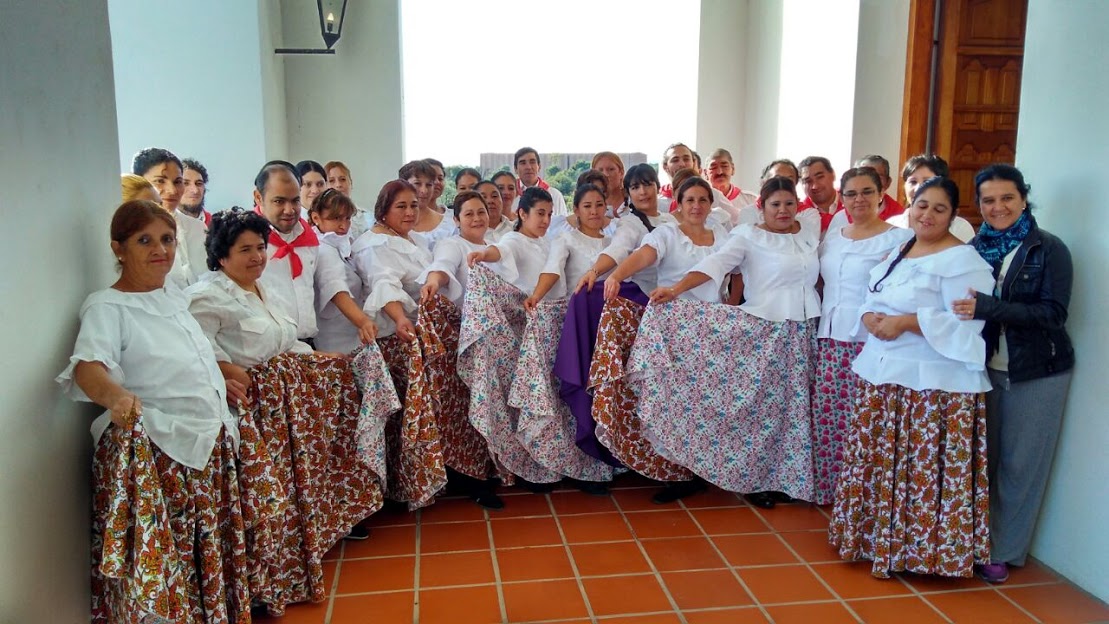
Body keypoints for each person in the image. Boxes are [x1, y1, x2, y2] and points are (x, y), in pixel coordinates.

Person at [56, 200, 252, 623]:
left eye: (166, 239)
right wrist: (116, 397)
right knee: (170, 563)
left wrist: (220, 377)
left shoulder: (172, 296)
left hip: (204, 444)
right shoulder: (106, 306)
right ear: (118, 248)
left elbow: (183, 356)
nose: (159, 249)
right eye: (144, 240)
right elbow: (90, 366)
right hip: (163, 450)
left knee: (203, 555)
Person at [187, 208, 386, 610]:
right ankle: (260, 586)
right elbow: (194, 351)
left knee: (296, 490)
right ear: (220, 255)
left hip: (287, 409)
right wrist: (227, 369)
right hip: (254, 413)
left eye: (261, 247)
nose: (257, 256)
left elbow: (285, 340)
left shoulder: (264, 288)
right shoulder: (206, 296)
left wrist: (327, 358)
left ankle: (290, 570)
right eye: (245, 249)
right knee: (264, 501)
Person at [830, 176, 994, 579]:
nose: (928, 215)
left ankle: (923, 553)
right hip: (884, 376)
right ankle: (875, 541)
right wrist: (869, 316)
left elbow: (967, 326)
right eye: (922, 205)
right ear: (910, 207)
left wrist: (907, 322)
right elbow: (872, 295)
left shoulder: (964, 262)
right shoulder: (901, 250)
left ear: (953, 216)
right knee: (885, 466)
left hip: (932, 390)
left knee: (919, 468)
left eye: (940, 208)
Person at [649, 177, 822, 508]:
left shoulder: (809, 235)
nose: (783, 210)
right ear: (762, 207)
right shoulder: (748, 237)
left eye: (789, 203)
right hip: (768, 332)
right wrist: (676, 290)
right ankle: (755, 479)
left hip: (804, 332)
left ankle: (790, 480)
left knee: (796, 411)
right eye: (775, 204)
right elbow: (714, 264)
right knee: (763, 412)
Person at [952, 164, 1075, 584]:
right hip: (983, 369)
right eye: (988, 199)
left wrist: (991, 308)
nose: (997, 207)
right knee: (981, 463)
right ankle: (972, 542)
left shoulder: (1049, 248)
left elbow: (1053, 314)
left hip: (1036, 371)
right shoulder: (974, 249)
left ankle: (1001, 551)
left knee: (1020, 466)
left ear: (1023, 198)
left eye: (1007, 198)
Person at [353, 180, 463, 509]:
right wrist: (401, 318)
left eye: (414, 205)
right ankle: (401, 489)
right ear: (383, 208)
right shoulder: (373, 244)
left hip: (416, 337)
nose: (410, 212)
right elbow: (382, 283)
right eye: (401, 206)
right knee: (402, 418)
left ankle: (423, 480)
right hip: (394, 340)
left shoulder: (410, 239)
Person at [812, 168, 913, 505]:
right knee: (829, 414)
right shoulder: (836, 234)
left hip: (869, 339)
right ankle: (830, 489)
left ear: (881, 194)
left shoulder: (898, 238)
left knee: (866, 418)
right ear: (842, 198)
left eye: (867, 192)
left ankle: (863, 495)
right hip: (829, 336)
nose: (859, 200)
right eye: (852, 193)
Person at [461, 187, 564, 490]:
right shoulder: (514, 240)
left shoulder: (550, 242)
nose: (545, 219)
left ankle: (553, 460)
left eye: (548, 213)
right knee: (533, 399)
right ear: (522, 213)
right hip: (527, 332)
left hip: (552, 327)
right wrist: (483, 254)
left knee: (553, 399)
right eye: (539, 213)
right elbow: (500, 251)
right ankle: (530, 466)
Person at [575, 164, 679, 296]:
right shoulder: (630, 222)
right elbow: (617, 249)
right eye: (635, 187)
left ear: (657, 187)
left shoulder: (671, 220)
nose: (642, 192)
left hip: (677, 290)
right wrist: (594, 271)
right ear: (627, 193)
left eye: (647, 184)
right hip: (646, 295)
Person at [252, 160, 320, 341]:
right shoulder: (246, 242)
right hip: (268, 349)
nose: (289, 210)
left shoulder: (309, 238)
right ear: (258, 198)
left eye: (295, 200)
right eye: (279, 201)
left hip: (307, 344)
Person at [308, 188, 379, 353]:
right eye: (336, 218)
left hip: (351, 333)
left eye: (347, 218)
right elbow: (336, 290)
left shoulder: (341, 243)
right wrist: (363, 322)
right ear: (316, 218)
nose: (344, 225)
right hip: (336, 340)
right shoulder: (323, 249)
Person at [133, 147, 209, 288]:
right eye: (160, 181)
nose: (172, 190)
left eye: (177, 182)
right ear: (140, 182)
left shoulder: (198, 228)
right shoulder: (131, 233)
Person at [527, 184, 612, 305]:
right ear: (576, 210)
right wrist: (536, 296)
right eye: (587, 206)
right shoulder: (566, 239)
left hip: (610, 314)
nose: (594, 211)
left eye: (599, 205)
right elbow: (553, 267)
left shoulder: (613, 243)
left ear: (605, 208)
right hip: (579, 308)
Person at [419, 191, 491, 307]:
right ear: (456, 220)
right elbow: (444, 265)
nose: (477, 218)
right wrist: (433, 282)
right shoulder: (452, 244)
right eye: (469, 214)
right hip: (465, 321)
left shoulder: (494, 247)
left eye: (481, 212)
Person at [893, 154, 976, 242]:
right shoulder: (892, 224)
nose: (918, 189)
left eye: (927, 182)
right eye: (913, 182)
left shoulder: (960, 227)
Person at [401, 159, 455, 249]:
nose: (424, 191)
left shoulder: (450, 224)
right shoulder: (392, 222)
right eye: (417, 183)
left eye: (429, 185)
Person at [514, 147, 568, 216]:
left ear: (539, 166)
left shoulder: (554, 195)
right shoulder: (509, 196)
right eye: (523, 163)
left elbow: (561, 224)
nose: (528, 167)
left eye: (532, 162)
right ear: (515, 168)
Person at [325, 160, 372, 239]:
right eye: (331, 181)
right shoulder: (320, 219)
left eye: (342, 179)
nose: (338, 185)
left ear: (351, 183)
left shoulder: (367, 217)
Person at [798, 155, 842, 233]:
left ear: (833, 175)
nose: (815, 186)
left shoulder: (851, 203)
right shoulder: (799, 215)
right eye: (808, 181)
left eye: (820, 177)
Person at [181, 157, 212, 226]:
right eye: (185, 183)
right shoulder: (164, 223)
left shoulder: (216, 225)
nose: (195, 191)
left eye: (199, 183)